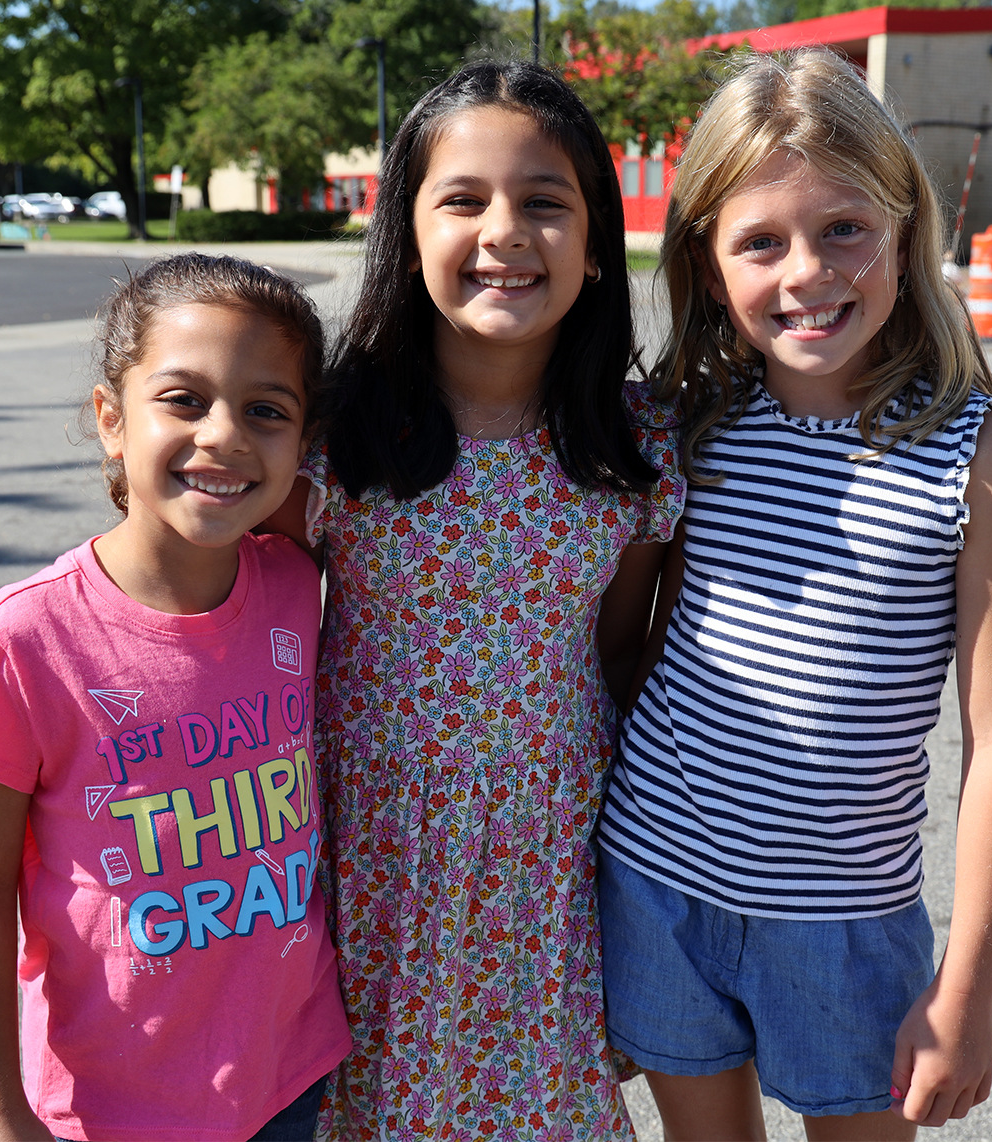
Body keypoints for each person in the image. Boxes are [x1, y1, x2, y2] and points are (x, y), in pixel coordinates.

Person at [595, 49, 992, 1142]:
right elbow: (629, 646)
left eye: (843, 228)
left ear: (902, 228)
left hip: (846, 923)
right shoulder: (682, 425)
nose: (807, 272)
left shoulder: (977, 457)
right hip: (654, 883)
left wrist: (966, 989)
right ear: (707, 265)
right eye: (761, 241)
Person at [260, 60, 684, 1140]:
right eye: (463, 198)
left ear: (595, 247)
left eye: (545, 201)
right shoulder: (323, 440)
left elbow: (622, 660)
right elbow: (238, 651)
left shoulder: (636, 449)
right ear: (405, 232)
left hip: (550, 879)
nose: (505, 230)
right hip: (363, 868)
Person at [0, 254, 351, 1142]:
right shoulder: (25, 640)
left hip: (288, 1075)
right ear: (111, 419)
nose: (225, 434)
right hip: (111, 1106)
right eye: (184, 400)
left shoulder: (297, 585)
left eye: (266, 410)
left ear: (304, 443)